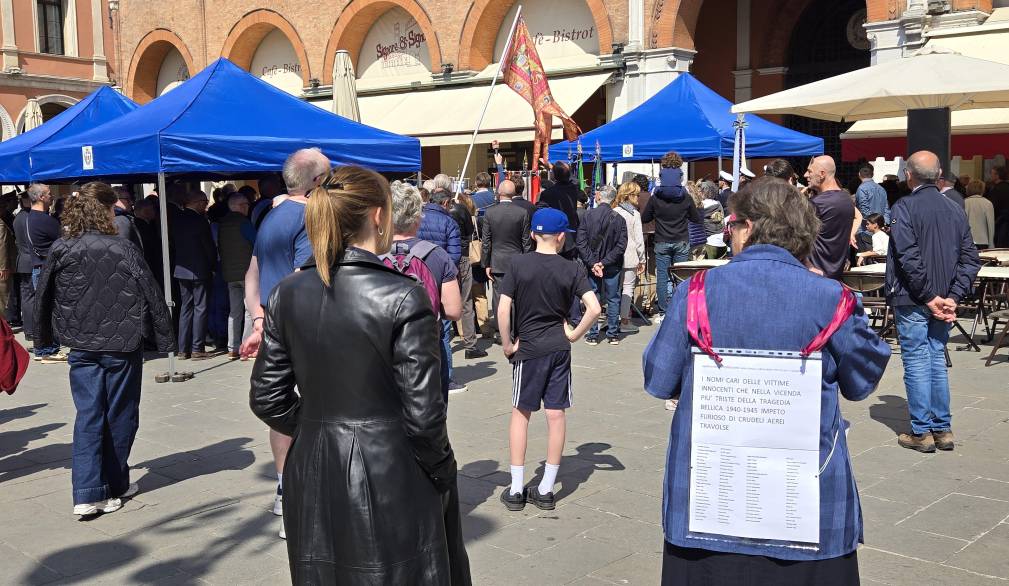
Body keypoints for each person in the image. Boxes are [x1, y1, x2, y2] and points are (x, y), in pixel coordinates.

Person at [644, 176, 890, 585]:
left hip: (709, 501)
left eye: (731, 225)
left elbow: (658, 378)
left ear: (749, 227)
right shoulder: (833, 298)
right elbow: (863, 380)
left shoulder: (696, 292)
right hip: (808, 508)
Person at [249, 166, 471, 585]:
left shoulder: (287, 293)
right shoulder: (403, 295)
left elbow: (267, 397)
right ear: (378, 215)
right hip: (390, 466)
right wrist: (443, 471)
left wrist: (319, 428)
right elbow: (424, 415)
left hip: (313, 464)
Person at [34, 183, 174, 516]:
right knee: (121, 414)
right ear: (106, 211)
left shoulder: (61, 247)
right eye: (113, 209)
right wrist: (166, 339)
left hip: (81, 342)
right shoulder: (121, 248)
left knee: (89, 414)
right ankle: (111, 484)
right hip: (120, 344)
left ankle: (89, 491)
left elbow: (42, 295)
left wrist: (43, 340)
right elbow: (152, 292)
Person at [241, 147, 330, 538]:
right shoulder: (311, 215)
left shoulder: (269, 214)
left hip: (275, 324)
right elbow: (302, 277)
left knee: (282, 410)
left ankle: (284, 489)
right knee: (313, 410)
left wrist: (259, 321)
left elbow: (253, 272)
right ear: (316, 182)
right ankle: (299, 497)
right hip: (304, 327)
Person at [497, 208, 600, 512]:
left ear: (531, 234)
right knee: (555, 415)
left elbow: (503, 310)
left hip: (527, 349)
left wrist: (506, 343)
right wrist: (573, 334)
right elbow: (594, 308)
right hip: (558, 348)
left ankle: (516, 489)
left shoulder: (518, 264)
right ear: (560, 237)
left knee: (521, 414)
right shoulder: (572, 268)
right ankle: (545, 489)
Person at [888, 151, 980, 453]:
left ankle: (922, 431)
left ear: (908, 174)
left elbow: (908, 256)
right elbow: (970, 260)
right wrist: (952, 296)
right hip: (939, 296)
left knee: (917, 360)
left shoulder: (905, 206)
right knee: (935, 359)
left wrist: (931, 297)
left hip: (917, 297)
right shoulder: (954, 208)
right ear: (939, 173)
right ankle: (941, 428)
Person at [389, 181, 465, 397]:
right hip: (425, 348)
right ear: (417, 215)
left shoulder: (373, 253)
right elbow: (453, 310)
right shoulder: (436, 255)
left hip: (384, 349)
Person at [641, 152, 701, 321]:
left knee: (662, 276)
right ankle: (680, 308)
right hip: (681, 239)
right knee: (680, 275)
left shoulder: (655, 198)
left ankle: (663, 311)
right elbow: (696, 218)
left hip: (661, 240)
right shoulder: (686, 197)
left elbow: (645, 218)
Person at [14, 183, 64, 362]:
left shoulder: (31, 217)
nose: (52, 197)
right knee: (48, 311)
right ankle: (48, 349)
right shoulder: (43, 220)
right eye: (50, 194)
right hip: (45, 269)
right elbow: (64, 240)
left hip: (40, 268)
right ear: (42, 197)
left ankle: (44, 347)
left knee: (43, 309)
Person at [577, 185, 628, 346]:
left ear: (599, 197)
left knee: (593, 297)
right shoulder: (620, 218)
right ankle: (612, 334)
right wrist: (604, 262)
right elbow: (621, 245)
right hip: (611, 265)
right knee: (613, 298)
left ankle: (593, 334)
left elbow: (581, 242)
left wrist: (593, 263)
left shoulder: (588, 215)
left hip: (593, 265)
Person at [172, 191, 216, 360]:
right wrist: (213, 265)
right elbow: (208, 247)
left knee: (186, 307)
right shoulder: (200, 220)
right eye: (204, 202)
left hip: (181, 269)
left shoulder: (176, 219)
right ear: (197, 202)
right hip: (200, 269)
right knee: (200, 307)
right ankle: (197, 348)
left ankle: (183, 349)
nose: (205, 205)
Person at [482, 180, 532, 319]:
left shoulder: (490, 212)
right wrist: (527, 262)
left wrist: (486, 263)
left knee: (499, 297)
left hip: (497, 260)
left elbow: (486, 241)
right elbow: (526, 241)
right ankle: (515, 329)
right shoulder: (522, 213)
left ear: (498, 193)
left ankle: (500, 330)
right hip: (517, 260)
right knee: (516, 296)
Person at [804, 156, 856, 280]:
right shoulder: (846, 199)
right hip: (835, 275)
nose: (806, 175)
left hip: (814, 275)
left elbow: (796, 239)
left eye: (810, 171)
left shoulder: (817, 203)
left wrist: (808, 265)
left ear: (822, 174)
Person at [448, 189, 485, 360]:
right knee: (466, 301)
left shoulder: (429, 214)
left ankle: (445, 338)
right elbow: (469, 233)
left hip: (440, 257)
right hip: (461, 256)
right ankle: (470, 344)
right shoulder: (461, 210)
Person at [217, 193, 255, 360]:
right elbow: (257, 241)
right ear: (240, 206)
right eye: (246, 204)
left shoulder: (222, 223)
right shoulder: (244, 222)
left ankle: (232, 347)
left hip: (229, 273)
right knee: (249, 310)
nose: (248, 207)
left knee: (234, 311)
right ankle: (245, 346)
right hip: (246, 272)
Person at [612, 182, 645, 334]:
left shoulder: (614, 211)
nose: (639, 197)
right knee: (628, 288)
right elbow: (639, 240)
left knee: (613, 289)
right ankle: (624, 320)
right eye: (637, 195)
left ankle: (612, 319)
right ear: (630, 195)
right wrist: (642, 259)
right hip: (630, 255)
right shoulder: (634, 214)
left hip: (614, 255)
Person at [536, 162, 581, 259]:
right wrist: (554, 168)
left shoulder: (547, 194)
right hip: (571, 236)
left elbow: (541, 213)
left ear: (554, 176)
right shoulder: (573, 188)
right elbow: (575, 180)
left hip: (554, 237)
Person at [854, 165, 891, 250]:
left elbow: (863, 209)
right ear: (872, 174)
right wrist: (883, 223)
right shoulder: (881, 188)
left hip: (866, 230)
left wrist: (871, 223)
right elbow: (886, 208)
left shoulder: (862, 188)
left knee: (865, 258)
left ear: (859, 175)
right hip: (879, 228)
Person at [965, 179, 995, 250]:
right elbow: (990, 225)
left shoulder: (964, 202)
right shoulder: (988, 203)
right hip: (983, 241)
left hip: (967, 240)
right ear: (982, 189)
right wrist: (991, 244)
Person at [112, 186, 144, 251]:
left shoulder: (123, 216)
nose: (131, 203)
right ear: (116, 200)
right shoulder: (120, 220)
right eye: (127, 199)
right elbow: (122, 249)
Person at [0, 194, 15, 316]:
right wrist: (4, 267)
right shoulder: (0, 224)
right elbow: (2, 244)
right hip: (2, 267)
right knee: (3, 297)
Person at [987, 165, 1009, 247]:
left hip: (1000, 222)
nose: (991, 175)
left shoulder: (996, 189)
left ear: (997, 175)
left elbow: (992, 206)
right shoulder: (1007, 186)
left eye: (992, 173)